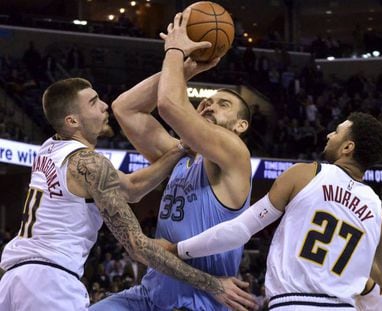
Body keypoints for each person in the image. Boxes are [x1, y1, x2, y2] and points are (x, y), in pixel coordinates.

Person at [0, 77, 256, 311]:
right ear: (72, 121)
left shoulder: (50, 147)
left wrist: (180, 145)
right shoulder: (90, 164)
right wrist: (176, 57)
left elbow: (131, 189)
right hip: (52, 281)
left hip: (13, 275)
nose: (104, 106)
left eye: (222, 104)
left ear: (241, 125)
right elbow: (137, 245)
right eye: (94, 103)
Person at [91, 9, 252, 311]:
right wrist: (187, 70)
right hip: (151, 291)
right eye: (208, 99)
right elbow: (126, 109)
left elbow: (168, 105)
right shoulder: (181, 152)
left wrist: (175, 52)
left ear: (241, 126)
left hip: (202, 297)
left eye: (223, 103)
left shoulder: (234, 153)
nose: (209, 104)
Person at [173, 111, 382, 310]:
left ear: (348, 147)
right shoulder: (380, 212)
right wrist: (359, 256)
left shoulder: (306, 174)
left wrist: (179, 249)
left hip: (293, 303)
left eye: (336, 132)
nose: (329, 135)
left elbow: (240, 230)